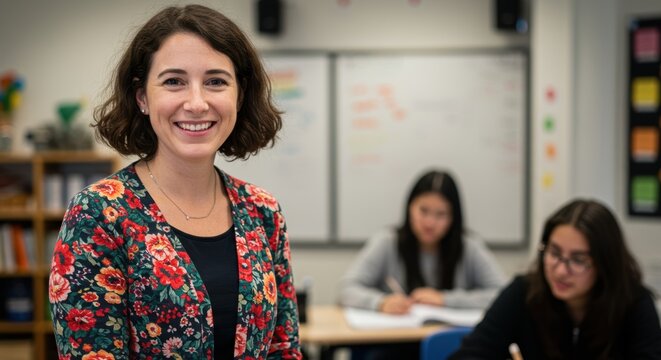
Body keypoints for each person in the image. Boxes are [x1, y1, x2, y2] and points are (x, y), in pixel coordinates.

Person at [48, 5, 301, 359]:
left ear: (239, 96)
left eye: (216, 81)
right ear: (142, 98)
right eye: (173, 81)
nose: (196, 103)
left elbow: (283, 347)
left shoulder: (262, 210)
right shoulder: (99, 214)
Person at [450, 199, 661, 359]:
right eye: (554, 253)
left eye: (578, 260)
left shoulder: (634, 305)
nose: (560, 271)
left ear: (604, 263)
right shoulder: (524, 292)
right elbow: (472, 353)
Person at [338, 170, 506, 359]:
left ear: (453, 218)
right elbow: (347, 288)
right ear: (410, 208)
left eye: (441, 214)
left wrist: (446, 300)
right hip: (393, 344)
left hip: (453, 347)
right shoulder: (388, 241)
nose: (429, 223)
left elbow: (503, 294)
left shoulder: (469, 246)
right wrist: (380, 302)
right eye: (423, 211)